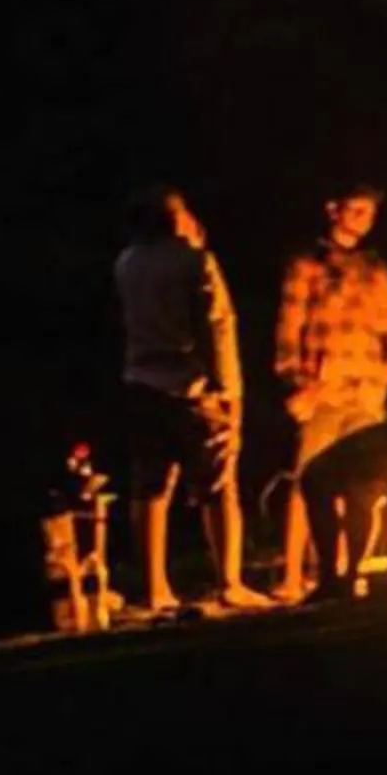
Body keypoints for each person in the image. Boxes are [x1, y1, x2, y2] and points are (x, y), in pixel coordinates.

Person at [113, 184, 271, 616]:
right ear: (175, 218)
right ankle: (230, 582)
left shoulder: (127, 262)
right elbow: (217, 328)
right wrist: (230, 393)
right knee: (218, 485)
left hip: (141, 383)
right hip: (194, 388)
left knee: (150, 488)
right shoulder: (195, 261)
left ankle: (155, 588)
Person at [273, 181, 387, 597]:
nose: (364, 220)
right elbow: (288, 329)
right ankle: (295, 576)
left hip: (365, 393)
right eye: (356, 211)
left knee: (362, 488)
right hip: (323, 392)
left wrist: (383, 376)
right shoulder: (307, 264)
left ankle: (349, 573)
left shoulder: (376, 269)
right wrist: (297, 382)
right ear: (333, 210)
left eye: (369, 213)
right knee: (308, 481)